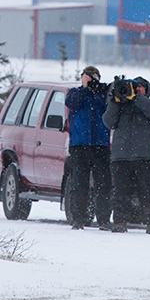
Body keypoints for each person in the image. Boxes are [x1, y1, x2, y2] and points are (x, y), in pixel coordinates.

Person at [103, 75, 150, 234]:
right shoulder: (120, 106)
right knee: (121, 192)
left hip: (145, 157)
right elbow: (109, 122)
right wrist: (115, 100)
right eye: (133, 87)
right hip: (121, 156)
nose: (135, 90)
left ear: (147, 90)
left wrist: (137, 98)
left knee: (148, 192)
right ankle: (120, 222)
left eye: (140, 87)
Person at [62, 66, 112, 230]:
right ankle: (78, 218)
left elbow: (109, 108)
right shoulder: (75, 93)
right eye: (87, 76)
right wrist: (85, 89)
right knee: (79, 183)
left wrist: (98, 90)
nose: (90, 79)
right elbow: (72, 104)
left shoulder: (103, 94)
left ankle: (103, 219)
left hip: (100, 144)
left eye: (93, 76)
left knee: (103, 184)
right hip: (80, 144)